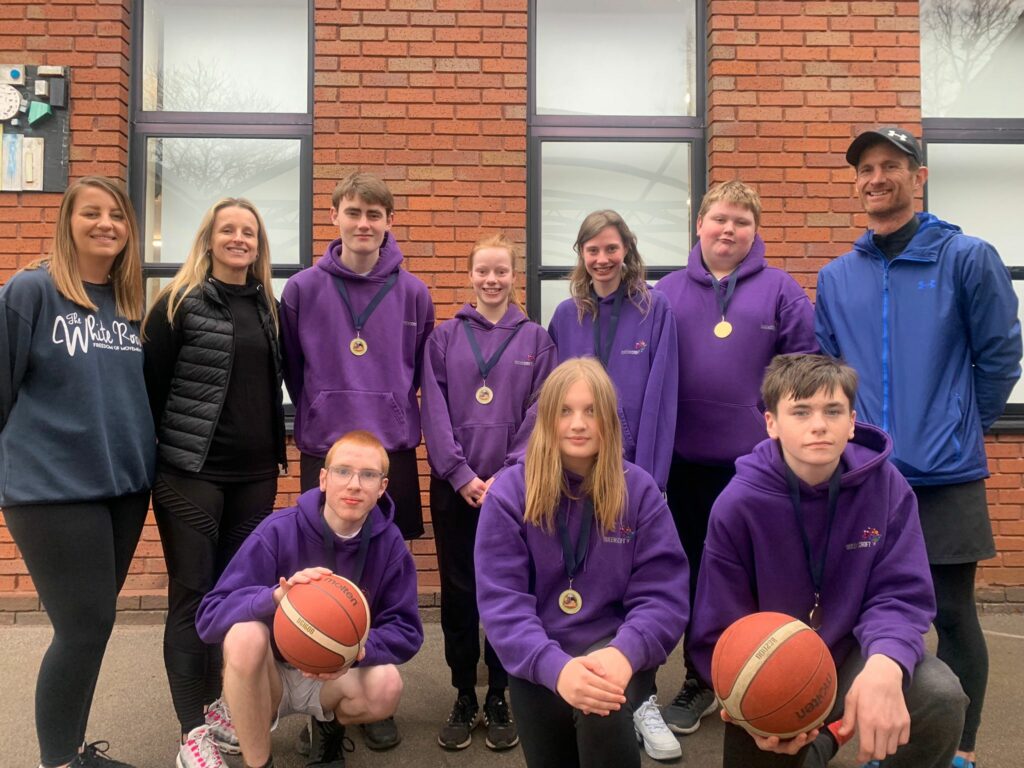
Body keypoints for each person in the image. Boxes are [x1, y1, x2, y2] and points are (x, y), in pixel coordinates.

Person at [816, 126, 1022, 768]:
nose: (875, 178)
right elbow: (827, 370)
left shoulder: (966, 257)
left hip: (947, 476)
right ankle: (883, 742)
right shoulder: (836, 276)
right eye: (864, 170)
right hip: (866, 479)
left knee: (955, 616)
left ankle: (956, 751)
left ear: (918, 177)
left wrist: (965, 423)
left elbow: (1000, 352)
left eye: (889, 167)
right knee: (869, 618)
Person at [689, 353, 969, 768]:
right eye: (800, 412)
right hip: (776, 667)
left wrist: (887, 662)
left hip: (858, 652)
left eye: (832, 411)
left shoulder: (886, 487)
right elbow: (721, 624)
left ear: (852, 421)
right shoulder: (737, 504)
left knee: (941, 696)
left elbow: (900, 594)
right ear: (771, 424)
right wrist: (743, 702)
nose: (819, 425)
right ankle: (818, 745)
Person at [0, 176, 156, 768]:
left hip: (121, 486)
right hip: (52, 490)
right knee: (82, 626)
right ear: (67, 221)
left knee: (97, 623)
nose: (105, 224)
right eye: (90, 213)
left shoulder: (129, 301)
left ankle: (72, 750)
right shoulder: (30, 292)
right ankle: (58, 761)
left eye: (117, 215)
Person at [654, 180, 817, 735]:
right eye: (720, 218)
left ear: (755, 231)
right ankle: (701, 679)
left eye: (741, 222)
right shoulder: (665, 293)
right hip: (682, 465)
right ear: (699, 224)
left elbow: (800, 381)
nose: (729, 230)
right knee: (695, 572)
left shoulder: (782, 291)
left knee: (760, 574)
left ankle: (766, 674)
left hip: (757, 469)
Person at [280, 171, 433, 749]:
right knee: (320, 569)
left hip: (389, 449)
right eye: (353, 212)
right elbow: (295, 368)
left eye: (375, 214)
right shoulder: (302, 289)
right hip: (327, 444)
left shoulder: (414, 291)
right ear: (335, 217)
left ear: (388, 222)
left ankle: (366, 691)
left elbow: (418, 370)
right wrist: (322, 405)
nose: (363, 223)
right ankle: (321, 709)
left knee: (379, 566)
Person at [475, 358, 689, 767]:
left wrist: (623, 654)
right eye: (565, 411)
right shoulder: (509, 496)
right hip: (537, 659)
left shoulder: (638, 490)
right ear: (545, 419)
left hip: (615, 655)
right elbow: (503, 603)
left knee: (602, 708)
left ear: (609, 419)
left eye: (591, 411)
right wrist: (556, 669)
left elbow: (663, 596)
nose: (578, 424)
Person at [142, 198, 287, 768]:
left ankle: (224, 709)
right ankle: (191, 729)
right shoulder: (177, 303)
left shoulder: (268, 309)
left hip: (254, 478)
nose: (238, 239)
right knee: (193, 596)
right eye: (227, 230)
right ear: (209, 238)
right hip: (190, 475)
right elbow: (151, 392)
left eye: (248, 232)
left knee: (235, 602)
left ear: (258, 244)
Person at [195, 430, 424, 768]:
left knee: (386, 684)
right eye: (343, 471)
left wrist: (356, 651)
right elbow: (209, 617)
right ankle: (259, 763)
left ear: (382, 487)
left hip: (335, 674)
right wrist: (273, 597)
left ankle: (327, 730)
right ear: (323, 478)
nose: (354, 484)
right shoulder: (278, 530)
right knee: (245, 635)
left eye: (368, 475)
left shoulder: (390, 546)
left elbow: (407, 630)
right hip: (269, 675)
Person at [421, 233, 557, 751]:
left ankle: (500, 693)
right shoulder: (444, 338)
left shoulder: (536, 340)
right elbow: (432, 409)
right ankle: (463, 691)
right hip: (455, 489)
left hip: (514, 491)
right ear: (470, 275)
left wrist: (508, 475)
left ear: (514, 276)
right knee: (459, 593)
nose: (492, 280)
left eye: (501, 271)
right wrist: (459, 474)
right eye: (483, 271)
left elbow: (541, 412)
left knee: (508, 590)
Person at [543, 210, 678, 492]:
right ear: (581, 253)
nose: (602, 259)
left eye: (611, 249)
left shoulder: (654, 308)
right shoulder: (567, 315)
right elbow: (551, 400)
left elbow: (662, 397)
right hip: (575, 465)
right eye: (593, 250)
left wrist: (652, 478)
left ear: (626, 249)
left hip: (632, 469)